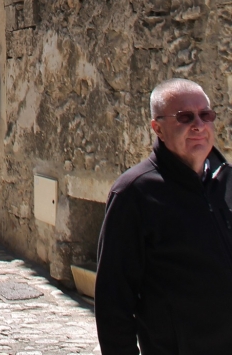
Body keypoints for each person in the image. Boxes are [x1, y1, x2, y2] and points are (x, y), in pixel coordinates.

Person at [95, 78, 232, 355]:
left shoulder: (227, 180)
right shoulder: (134, 193)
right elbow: (113, 300)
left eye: (206, 115)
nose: (199, 125)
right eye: (184, 117)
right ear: (158, 128)